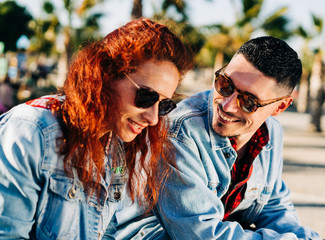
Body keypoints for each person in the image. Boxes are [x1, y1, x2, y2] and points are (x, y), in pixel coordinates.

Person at [0, 17, 193, 239]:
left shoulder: (116, 149)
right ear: (106, 75)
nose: (153, 119)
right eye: (146, 96)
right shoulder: (30, 132)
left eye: (165, 105)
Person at [150, 36, 324, 239]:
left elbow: (273, 207)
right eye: (225, 84)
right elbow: (202, 234)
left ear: (280, 107)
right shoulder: (179, 132)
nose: (227, 105)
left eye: (249, 101)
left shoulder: (272, 132)